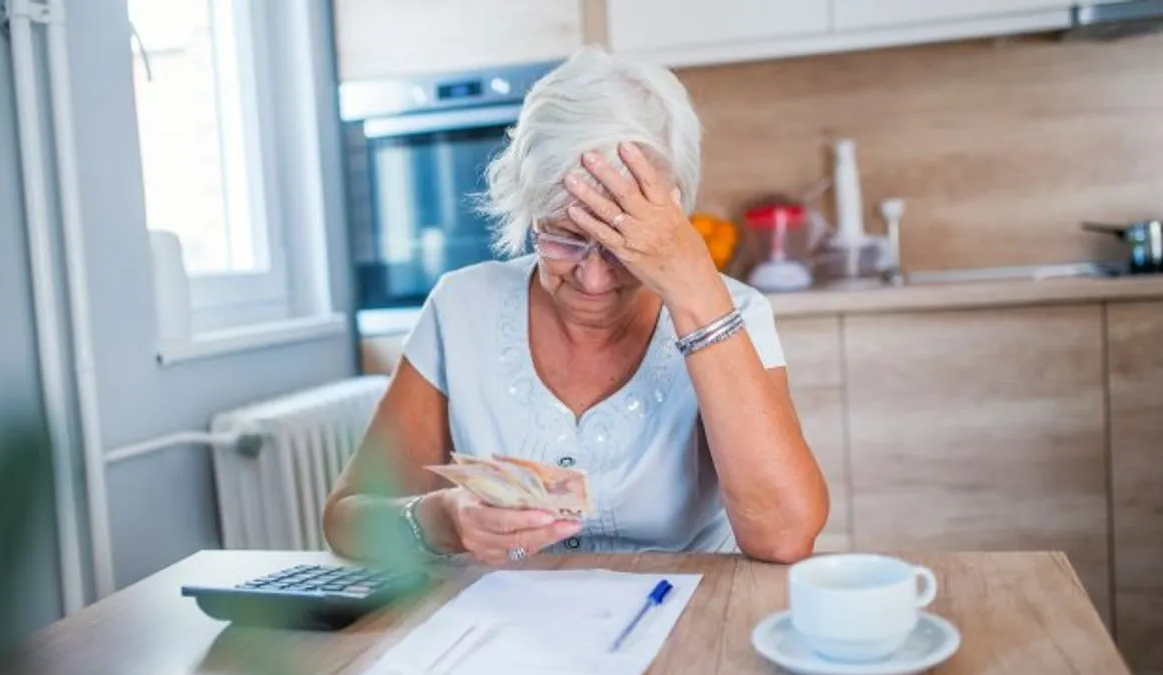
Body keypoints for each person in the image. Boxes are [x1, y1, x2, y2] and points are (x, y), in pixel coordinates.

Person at [323, 46, 828, 567]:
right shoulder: (461, 306)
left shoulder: (733, 310)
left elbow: (785, 537)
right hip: (505, 625)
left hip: (687, 621)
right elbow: (346, 520)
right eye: (563, 238)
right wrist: (440, 520)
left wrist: (694, 288)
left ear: (670, 218)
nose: (592, 278)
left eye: (620, 244)